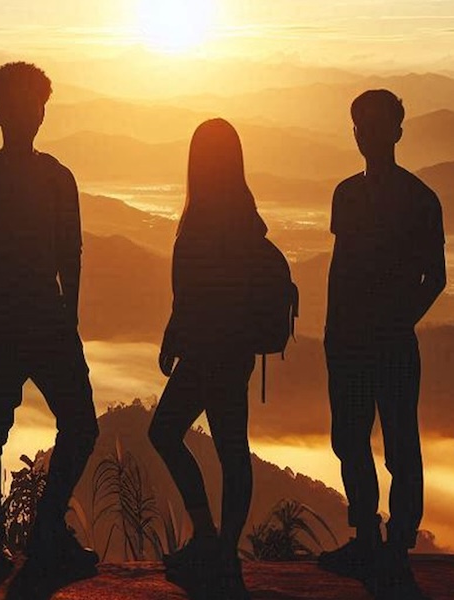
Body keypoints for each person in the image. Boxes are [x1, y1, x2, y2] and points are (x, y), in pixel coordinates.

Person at [0, 62, 99, 591]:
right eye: (23, 102)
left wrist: (67, 319)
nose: (31, 112)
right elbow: (68, 257)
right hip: (21, 323)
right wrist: (66, 318)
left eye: (36, 102)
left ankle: (12, 538)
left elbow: (69, 256)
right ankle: (25, 535)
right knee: (8, 430)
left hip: (16, 324)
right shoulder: (48, 177)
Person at [318, 90, 445, 600]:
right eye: (361, 125)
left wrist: (396, 322)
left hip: (387, 342)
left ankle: (393, 546)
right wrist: (333, 331)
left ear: (397, 130)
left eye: (378, 123)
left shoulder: (419, 199)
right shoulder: (346, 194)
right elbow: (341, 266)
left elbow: (434, 278)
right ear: (355, 133)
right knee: (351, 440)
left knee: (397, 445)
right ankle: (370, 538)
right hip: (349, 340)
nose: (368, 132)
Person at [148, 118, 269, 600]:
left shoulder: (203, 214)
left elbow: (192, 292)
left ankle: (210, 540)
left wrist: (174, 338)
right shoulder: (245, 211)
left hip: (206, 350)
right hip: (233, 351)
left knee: (166, 432)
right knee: (232, 448)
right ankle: (221, 549)